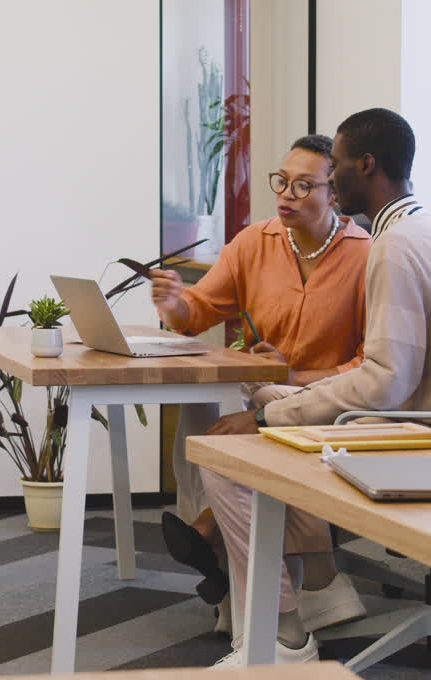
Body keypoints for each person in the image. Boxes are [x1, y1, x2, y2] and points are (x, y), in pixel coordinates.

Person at [199, 108, 431, 667]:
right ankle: (316, 585)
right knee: (265, 398)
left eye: (339, 167)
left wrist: (265, 422)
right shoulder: (424, 227)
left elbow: (384, 383)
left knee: (227, 458)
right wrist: (277, 406)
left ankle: (283, 638)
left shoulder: (391, 248)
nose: (333, 178)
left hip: (416, 434)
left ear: (366, 166)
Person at [149, 135, 371, 625]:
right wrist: (174, 304)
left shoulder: (366, 255)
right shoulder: (255, 242)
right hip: (265, 388)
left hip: (334, 398)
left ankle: (227, 540)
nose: (286, 195)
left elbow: (370, 364)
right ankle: (258, 566)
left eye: (303, 185)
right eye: (282, 181)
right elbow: (199, 309)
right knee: (206, 411)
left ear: (334, 194)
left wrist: (297, 375)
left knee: (266, 409)